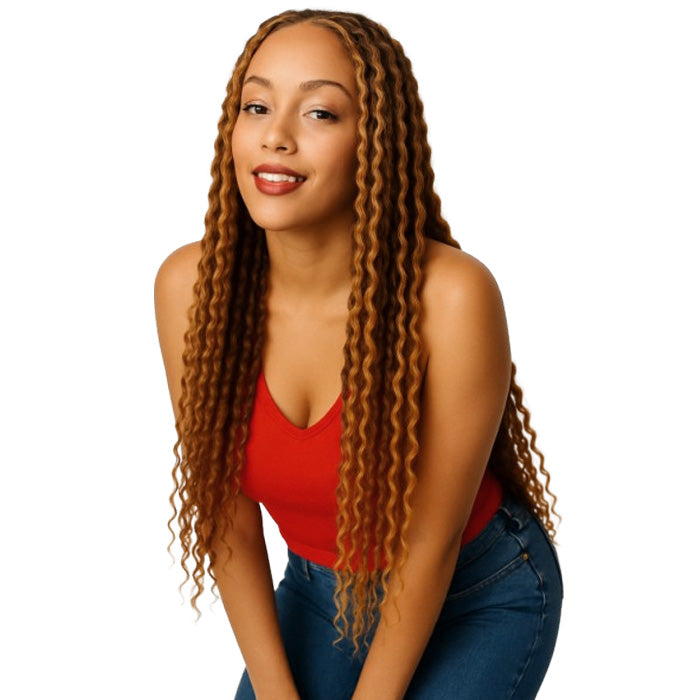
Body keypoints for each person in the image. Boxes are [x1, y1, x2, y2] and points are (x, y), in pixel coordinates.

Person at [154, 9, 563, 699]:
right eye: (257, 106)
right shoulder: (192, 289)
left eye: (319, 113)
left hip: (478, 591)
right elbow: (226, 518)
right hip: (321, 592)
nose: (276, 136)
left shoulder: (453, 298)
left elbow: (429, 548)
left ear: (375, 141)